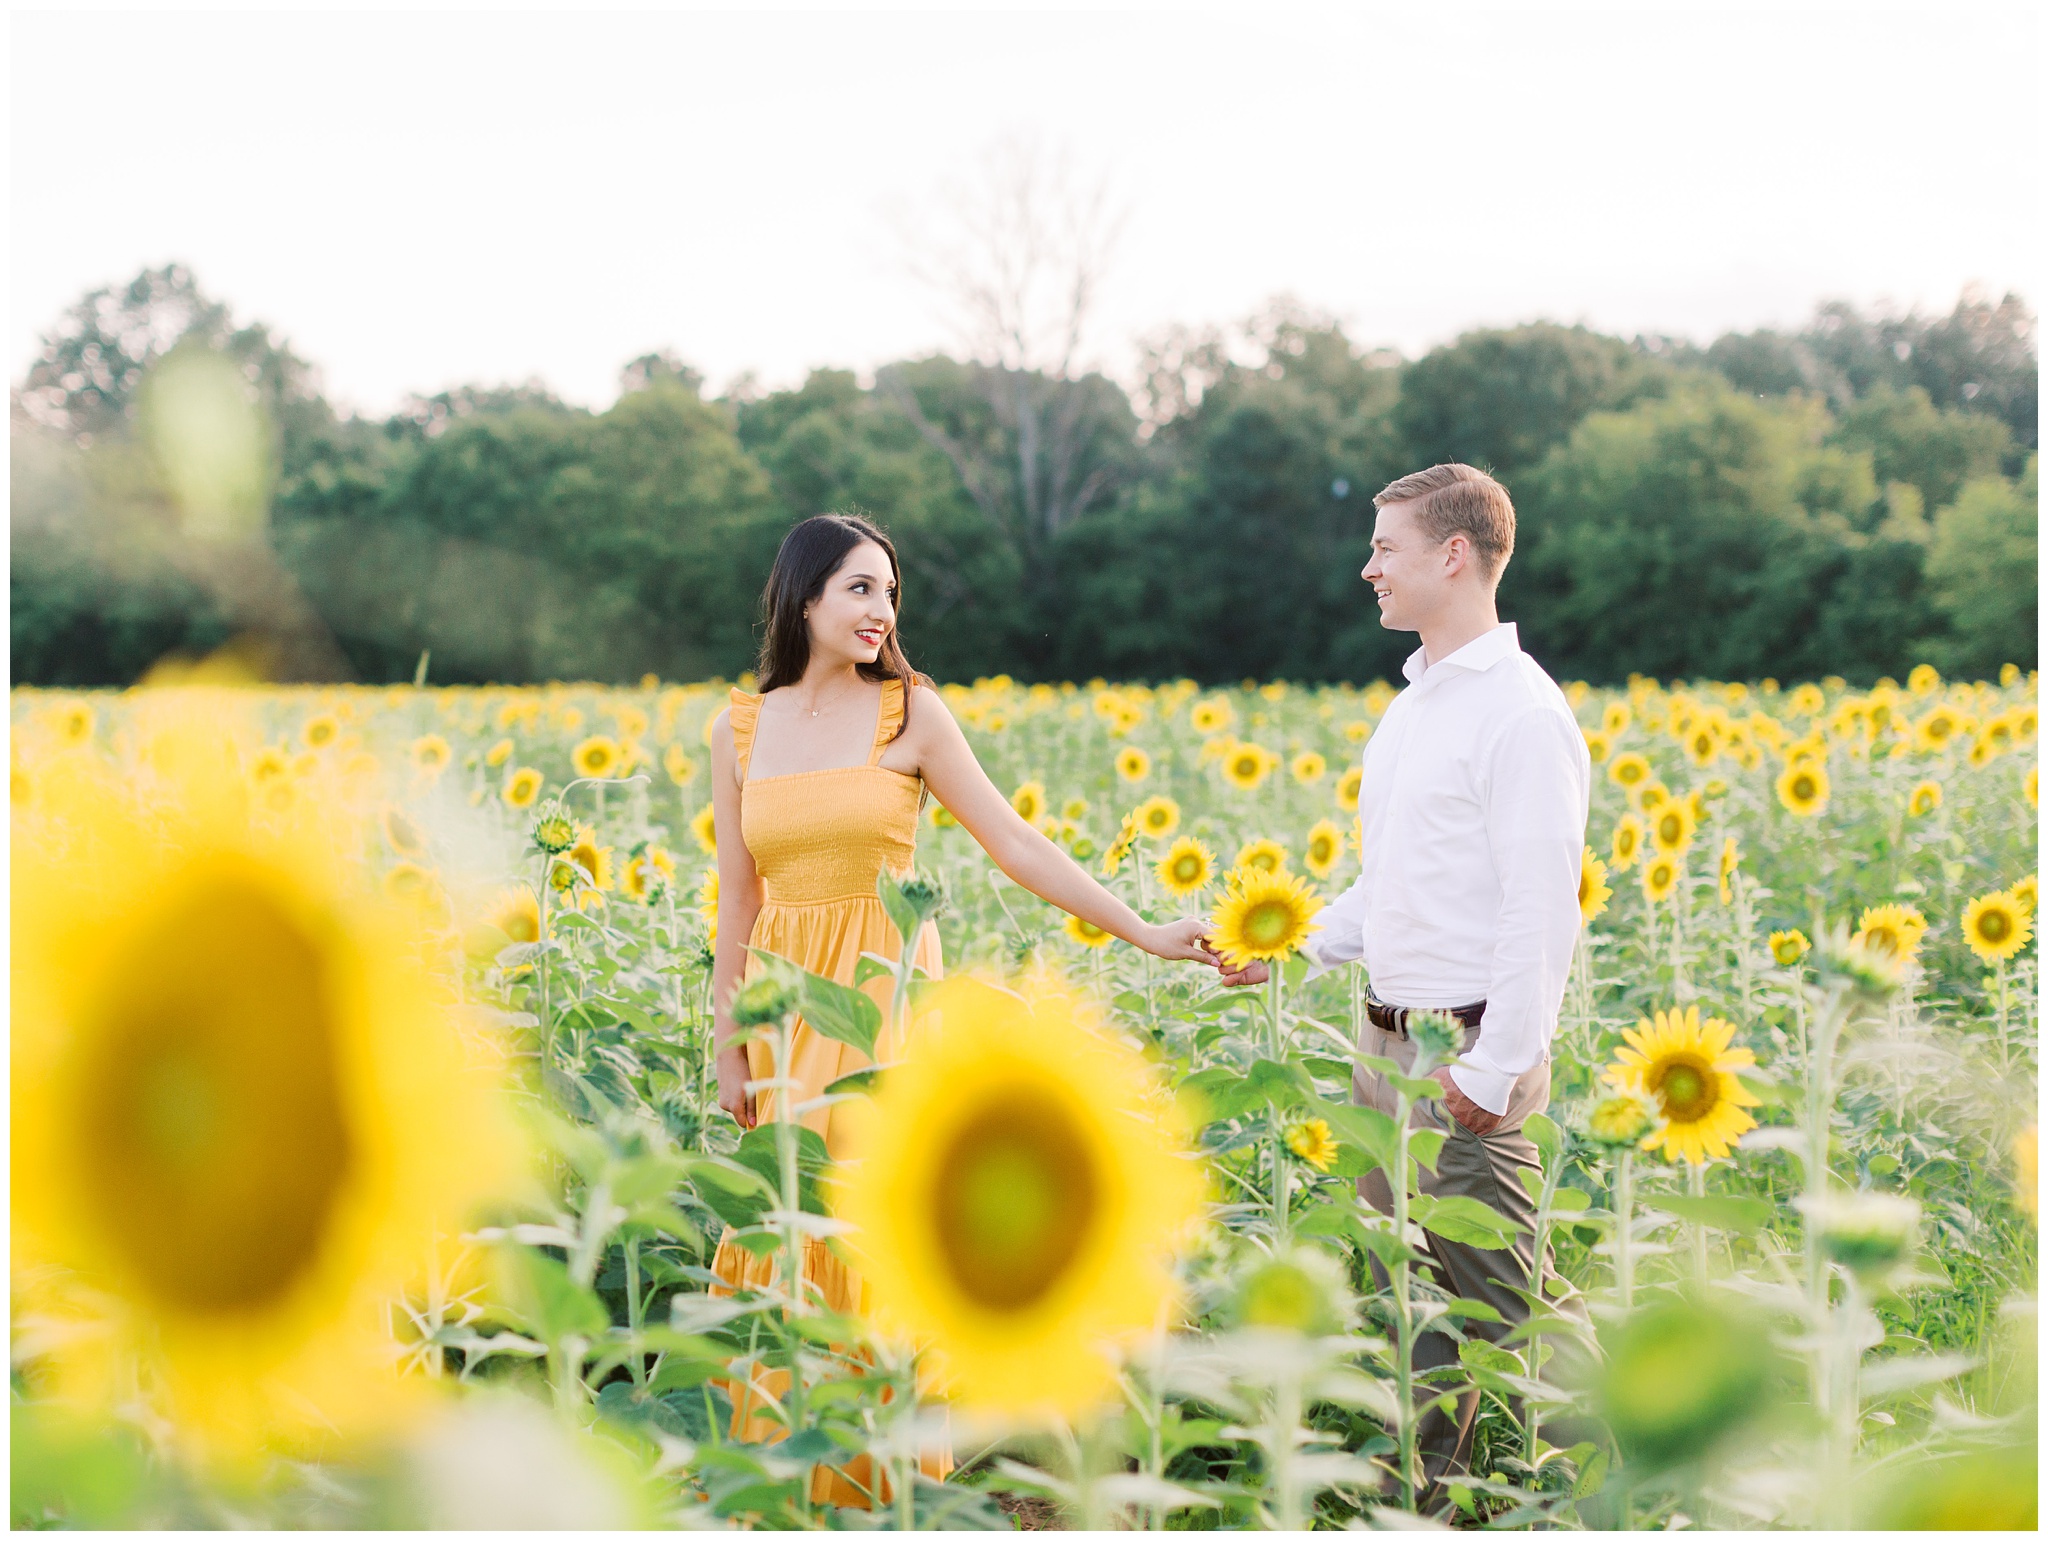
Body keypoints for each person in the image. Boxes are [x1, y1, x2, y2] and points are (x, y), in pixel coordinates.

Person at [704, 511, 1219, 1507]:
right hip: (781, 1010)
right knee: (787, 1224)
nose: (882, 610)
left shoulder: (912, 714)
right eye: (860, 588)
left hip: (877, 1000)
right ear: (803, 596)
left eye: (890, 592)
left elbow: (1016, 844)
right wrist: (727, 1042)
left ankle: (887, 1492)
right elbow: (737, 898)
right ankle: (785, 1492)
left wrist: (1146, 929)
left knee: (871, 1224)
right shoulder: (738, 729)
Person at [1217, 463, 1591, 1504]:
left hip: (1465, 1048)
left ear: (1453, 554)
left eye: (1386, 546)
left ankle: (1632, 1488)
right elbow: (1393, 885)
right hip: (1385, 1045)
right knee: (1409, 1295)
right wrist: (1291, 945)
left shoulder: (1520, 713)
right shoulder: (1415, 706)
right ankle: (1426, 1496)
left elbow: (1541, 906)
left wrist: (1497, 1062)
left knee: (1510, 1299)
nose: (1368, 567)